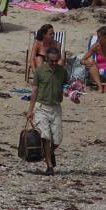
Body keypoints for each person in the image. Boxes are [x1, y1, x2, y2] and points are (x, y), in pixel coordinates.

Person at [26, 46, 68, 175]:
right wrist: (30, 110)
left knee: (57, 140)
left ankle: (48, 153)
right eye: (52, 61)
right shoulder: (39, 71)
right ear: (47, 60)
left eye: (56, 61)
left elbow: (66, 87)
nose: (54, 64)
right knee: (45, 137)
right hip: (41, 107)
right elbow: (34, 91)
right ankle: (50, 166)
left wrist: (72, 95)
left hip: (56, 107)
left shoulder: (62, 72)